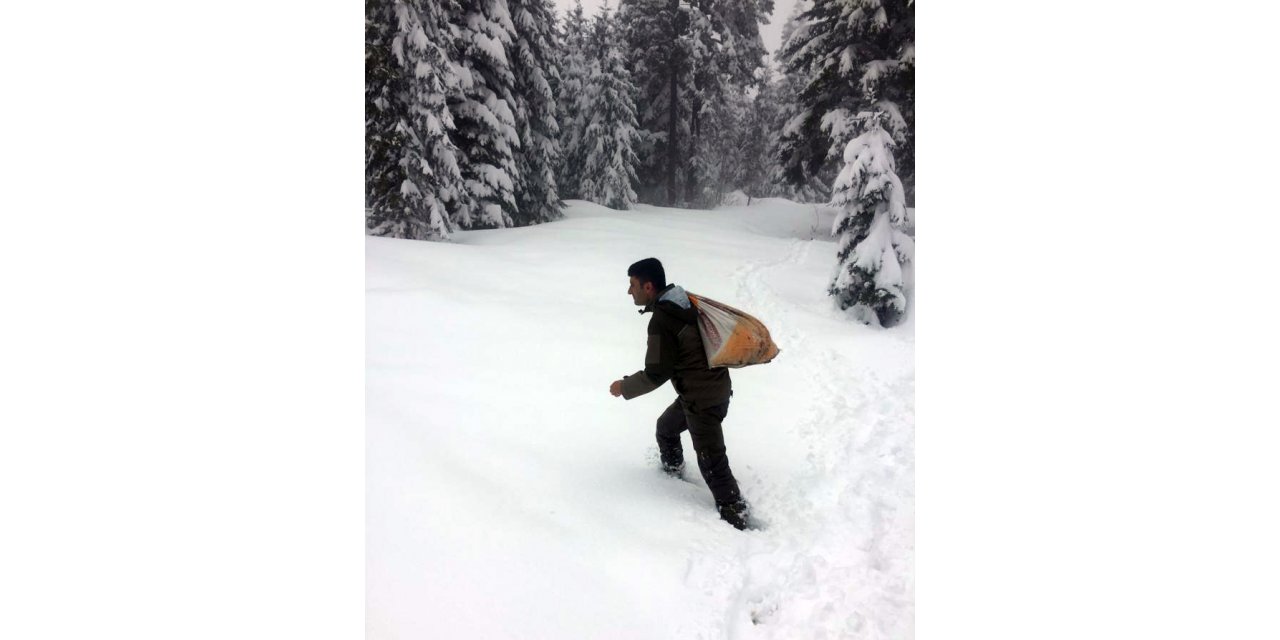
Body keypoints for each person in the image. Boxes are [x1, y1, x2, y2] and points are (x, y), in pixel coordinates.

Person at [609, 258, 752, 530]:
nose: (630, 292)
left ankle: (736, 514)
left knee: (712, 461)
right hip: (710, 390)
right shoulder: (683, 301)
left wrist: (623, 387)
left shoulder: (664, 320)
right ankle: (673, 475)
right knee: (666, 428)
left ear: (648, 286)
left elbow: (656, 373)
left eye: (633, 285)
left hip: (702, 400)